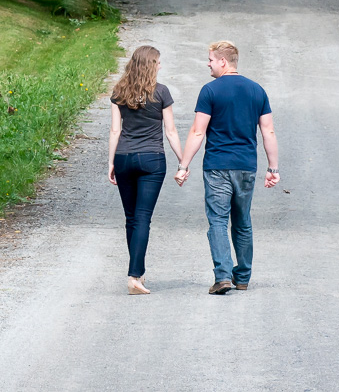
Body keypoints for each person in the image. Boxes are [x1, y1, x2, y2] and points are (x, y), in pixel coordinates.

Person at [174, 40, 278, 295]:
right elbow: (268, 131)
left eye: (210, 60)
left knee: (218, 221)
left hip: (217, 166)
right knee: (242, 220)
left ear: (223, 61)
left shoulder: (210, 91)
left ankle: (222, 276)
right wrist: (273, 168)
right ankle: (242, 277)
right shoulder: (257, 91)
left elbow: (198, 131)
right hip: (246, 167)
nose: (208, 64)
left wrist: (183, 165)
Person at [108, 44, 183, 295]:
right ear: (151, 65)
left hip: (124, 158)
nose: (161, 65)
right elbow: (170, 131)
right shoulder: (161, 92)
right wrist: (183, 161)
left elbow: (115, 130)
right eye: (158, 62)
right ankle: (134, 276)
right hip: (152, 160)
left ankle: (136, 272)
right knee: (142, 217)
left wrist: (111, 162)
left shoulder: (119, 92)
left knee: (131, 218)